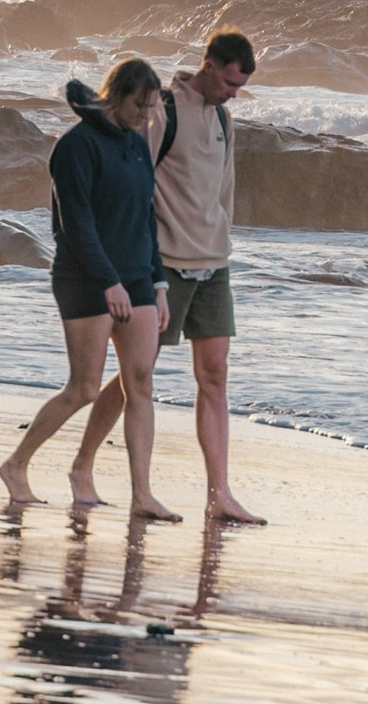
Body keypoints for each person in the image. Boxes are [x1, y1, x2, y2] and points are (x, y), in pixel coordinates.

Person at [71, 27, 262, 524]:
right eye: (228, 82)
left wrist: (223, 245)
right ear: (209, 66)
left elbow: (226, 191)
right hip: (162, 265)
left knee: (214, 376)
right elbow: (134, 182)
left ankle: (219, 494)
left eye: (240, 87)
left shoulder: (223, 117)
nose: (233, 93)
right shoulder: (164, 112)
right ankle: (84, 465)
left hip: (213, 266)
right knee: (138, 376)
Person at [0, 62, 176, 517]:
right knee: (84, 389)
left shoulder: (137, 146)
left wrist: (157, 285)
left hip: (136, 276)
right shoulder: (75, 146)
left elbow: (145, 222)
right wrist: (108, 282)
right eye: (139, 105)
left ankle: (142, 495)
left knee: (140, 382)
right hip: (84, 277)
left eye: (151, 108)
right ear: (115, 94)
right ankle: (16, 465)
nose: (145, 115)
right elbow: (75, 226)